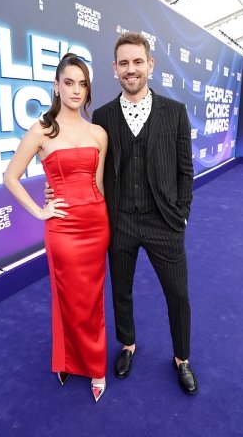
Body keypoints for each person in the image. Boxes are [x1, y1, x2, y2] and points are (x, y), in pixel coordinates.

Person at [46, 32, 198, 394]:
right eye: (124, 63)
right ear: (114, 69)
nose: (132, 70)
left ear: (150, 65)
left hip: (165, 222)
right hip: (119, 221)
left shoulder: (175, 112)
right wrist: (56, 186)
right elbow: (83, 164)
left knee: (178, 294)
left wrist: (183, 214)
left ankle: (182, 358)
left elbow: (185, 170)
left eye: (138, 62)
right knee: (121, 291)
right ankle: (127, 344)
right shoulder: (102, 117)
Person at [4, 53, 109, 403]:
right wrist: (40, 210)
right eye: (69, 82)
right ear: (56, 85)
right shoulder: (42, 130)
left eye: (82, 84)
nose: (76, 90)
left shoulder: (98, 133)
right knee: (66, 297)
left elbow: (98, 184)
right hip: (62, 229)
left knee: (92, 299)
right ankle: (66, 359)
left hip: (96, 224)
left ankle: (95, 365)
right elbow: (10, 177)